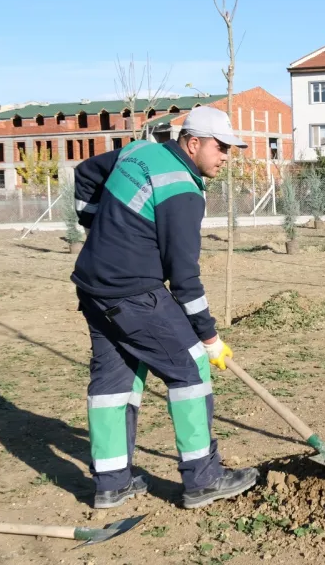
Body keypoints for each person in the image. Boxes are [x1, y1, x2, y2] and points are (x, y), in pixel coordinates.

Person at [70, 106, 258, 510]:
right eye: (221, 147)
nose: (226, 156)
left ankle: (111, 483)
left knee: (113, 382)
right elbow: (184, 277)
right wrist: (209, 337)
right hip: (135, 294)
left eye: (229, 149)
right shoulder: (183, 192)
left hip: (93, 288)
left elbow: (85, 173)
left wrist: (100, 229)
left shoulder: (138, 151)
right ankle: (204, 479)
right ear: (193, 143)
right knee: (190, 369)